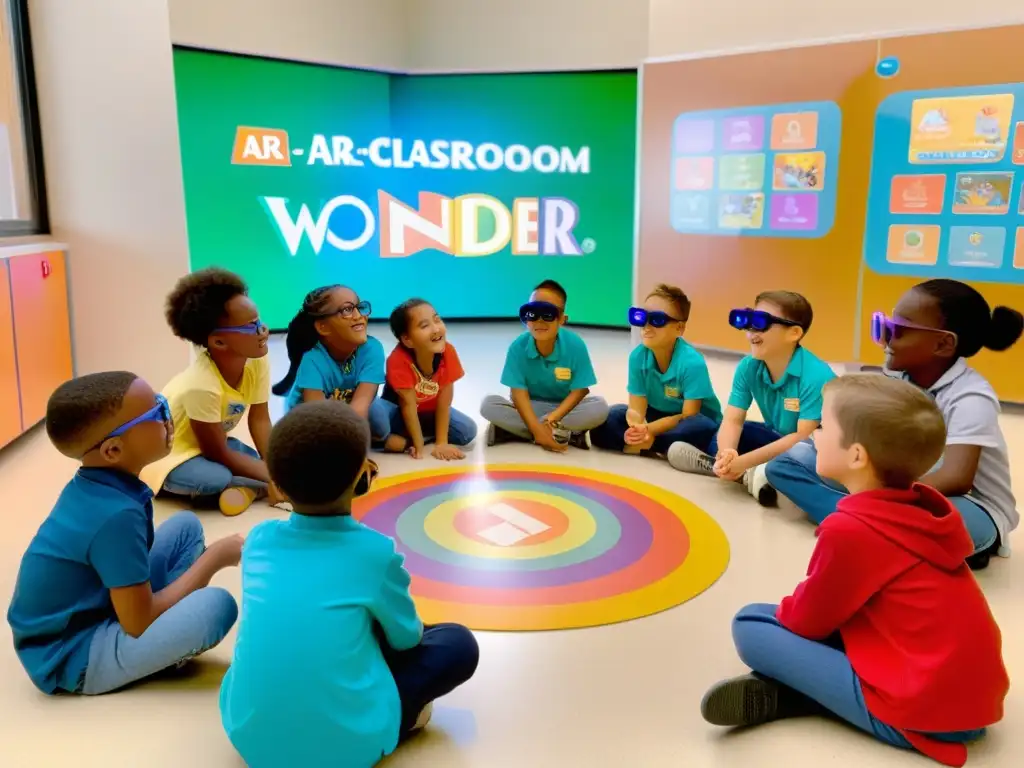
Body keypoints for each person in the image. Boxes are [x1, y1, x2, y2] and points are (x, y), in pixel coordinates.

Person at [702, 374, 1009, 767]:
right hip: (975, 696)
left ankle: (813, 698)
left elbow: (808, 622)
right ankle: (821, 688)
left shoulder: (852, 529)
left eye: (824, 426)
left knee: (751, 624)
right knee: (822, 621)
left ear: (857, 456)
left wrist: (795, 616)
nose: (814, 431)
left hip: (927, 712)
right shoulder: (922, 508)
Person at [220, 400, 479, 768]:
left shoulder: (260, 540)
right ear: (363, 476)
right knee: (456, 643)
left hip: (250, 736)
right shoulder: (374, 552)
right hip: (351, 748)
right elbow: (406, 639)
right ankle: (402, 717)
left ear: (275, 482)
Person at [7, 372, 240, 695]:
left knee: (186, 528)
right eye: (155, 413)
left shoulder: (102, 485)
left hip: (103, 605)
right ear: (113, 450)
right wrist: (214, 559)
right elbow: (138, 622)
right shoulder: (116, 515)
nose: (166, 416)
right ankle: (156, 652)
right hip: (73, 653)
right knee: (217, 606)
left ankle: (158, 636)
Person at [766, 279, 1020, 569]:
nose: (885, 340)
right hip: (894, 485)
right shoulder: (897, 379)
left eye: (896, 331)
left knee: (935, 518)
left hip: (966, 503)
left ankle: (860, 520)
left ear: (943, 344)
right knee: (785, 464)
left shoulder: (970, 396)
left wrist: (875, 491)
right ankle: (863, 521)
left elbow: (956, 478)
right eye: (882, 326)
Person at [667, 290, 835, 505]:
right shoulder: (749, 366)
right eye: (749, 321)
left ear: (793, 333)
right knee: (730, 434)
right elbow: (733, 419)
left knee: (794, 458)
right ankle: (740, 472)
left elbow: (801, 438)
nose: (751, 331)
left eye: (761, 322)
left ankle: (741, 472)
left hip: (810, 452)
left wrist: (744, 460)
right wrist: (727, 453)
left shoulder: (816, 376)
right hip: (775, 439)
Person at [591, 284, 721, 455]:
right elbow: (636, 409)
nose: (646, 325)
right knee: (608, 420)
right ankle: (660, 447)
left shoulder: (692, 363)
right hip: (656, 416)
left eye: (657, 320)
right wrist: (637, 426)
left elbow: (689, 415)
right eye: (641, 317)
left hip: (690, 419)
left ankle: (648, 445)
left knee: (697, 428)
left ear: (679, 328)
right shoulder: (638, 357)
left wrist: (650, 430)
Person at [480, 279, 609, 451]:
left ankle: (515, 431)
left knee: (599, 407)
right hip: (529, 405)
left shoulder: (575, 345)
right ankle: (565, 434)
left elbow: (581, 390)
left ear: (562, 319)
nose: (539, 321)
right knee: (488, 404)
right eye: (532, 313)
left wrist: (554, 417)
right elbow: (517, 394)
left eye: (548, 314)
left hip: (563, 408)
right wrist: (539, 431)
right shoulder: (518, 346)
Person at [272, 284, 400, 452]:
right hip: (312, 420)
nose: (359, 316)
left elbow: (360, 406)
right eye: (347, 310)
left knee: (380, 424)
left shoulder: (372, 348)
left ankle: (376, 437)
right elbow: (320, 417)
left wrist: (358, 452)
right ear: (323, 327)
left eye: (359, 307)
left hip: (346, 409)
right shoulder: (312, 360)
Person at [382, 298, 477, 460]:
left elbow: (444, 403)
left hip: (428, 412)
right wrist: (418, 447)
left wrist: (442, 443)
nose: (436, 329)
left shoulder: (448, 352)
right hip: (399, 413)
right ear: (407, 340)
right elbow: (408, 407)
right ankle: (410, 438)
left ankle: (409, 438)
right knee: (377, 418)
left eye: (437, 319)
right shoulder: (397, 360)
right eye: (424, 326)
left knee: (467, 431)